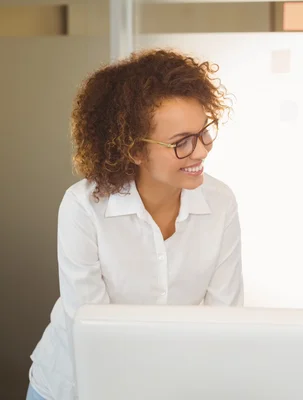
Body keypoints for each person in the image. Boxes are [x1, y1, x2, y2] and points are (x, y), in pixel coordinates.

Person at [26, 49, 244, 400]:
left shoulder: (220, 202)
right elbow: (92, 328)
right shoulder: (83, 208)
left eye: (204, 133)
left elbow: (225, 316)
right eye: (181, 143)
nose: (201, 151)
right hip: (74, 387)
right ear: (134, 150)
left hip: (170, 384)